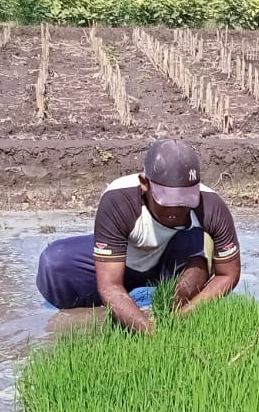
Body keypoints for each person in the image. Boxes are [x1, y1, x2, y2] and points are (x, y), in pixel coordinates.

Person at [35, 138, 241, 334]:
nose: (177, 210)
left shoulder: (212, 206)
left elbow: (228, 274)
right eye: (167, 201)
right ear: (145, 183)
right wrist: (149, 330)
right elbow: (110, 284)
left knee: (194, 243)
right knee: (55, 263)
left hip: (172, 264)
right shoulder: (118, 199)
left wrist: (183, 317)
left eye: (185, 201)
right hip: (124, 261)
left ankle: (172, 303)